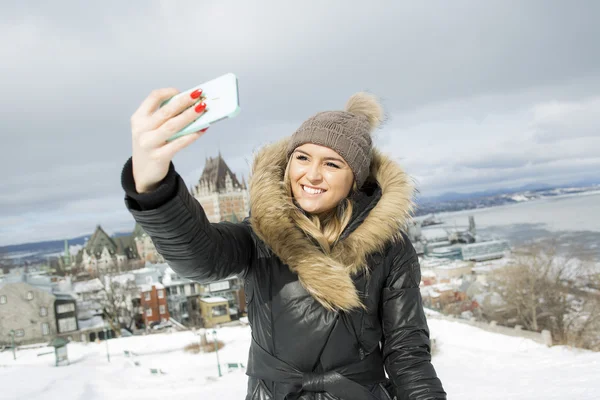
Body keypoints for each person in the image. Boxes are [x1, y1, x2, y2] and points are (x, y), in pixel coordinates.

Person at [121, 87, 446, 400]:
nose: (312, 175)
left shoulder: (390, 248)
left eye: (332, 164)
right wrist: (153, 184)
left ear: (355, 181)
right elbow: (199, 257)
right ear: (288, 164)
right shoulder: (259, 237)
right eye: (303, 157)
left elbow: (407, 355)